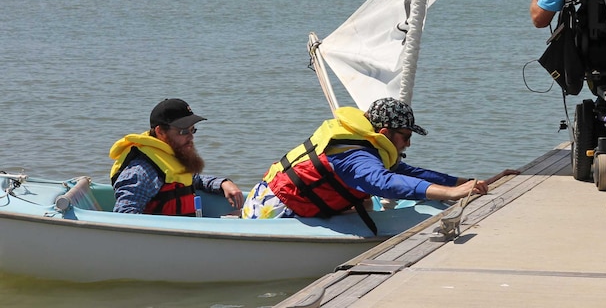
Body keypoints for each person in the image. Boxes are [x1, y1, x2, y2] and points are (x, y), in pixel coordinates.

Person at [241, 97, 520, 232]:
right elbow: (385, 183)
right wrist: (450, 194)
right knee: (364, 202)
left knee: (362, 203)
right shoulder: (354, 157)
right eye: (406, 137)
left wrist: (464, 182)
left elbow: (406, 172)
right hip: (273, 215)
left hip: (269, 198)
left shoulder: (362, 147)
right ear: (385, 134)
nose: (408, 144)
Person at [110, 98, 244, 214]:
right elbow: (125, 214)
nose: (191, 137)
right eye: (184, 131)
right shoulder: (141, 171)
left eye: (192, 130)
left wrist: (223, 183)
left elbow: (192, 179)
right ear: (160, 131)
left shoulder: (168, 158)